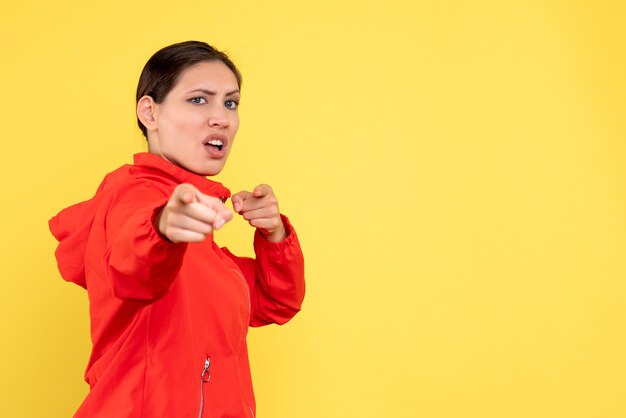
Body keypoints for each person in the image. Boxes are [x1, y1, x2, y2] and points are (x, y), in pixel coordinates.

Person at [49, 41, 305, 418]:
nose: (220, 117)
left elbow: (275, 302)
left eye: (230, 103)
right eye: (199, 100)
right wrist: (161, 229)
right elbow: (132, 264)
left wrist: (274, 236)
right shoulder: (132, 197)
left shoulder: (204, 245)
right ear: (150, 112)